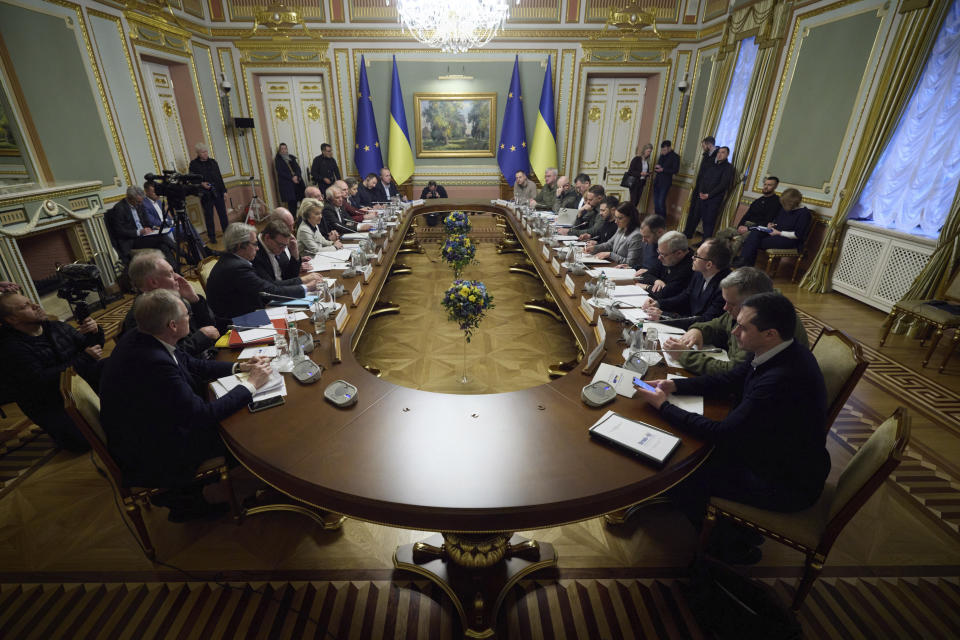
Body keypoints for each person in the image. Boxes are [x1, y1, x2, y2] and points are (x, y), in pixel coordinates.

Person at [634, 292, 829, 564]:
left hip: (784, 483)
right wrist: (675, 386)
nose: (735, 332)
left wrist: (664, 407)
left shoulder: (779, 380)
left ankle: (728, 548)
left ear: (770, 333)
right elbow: (731, 380)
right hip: (775, 454)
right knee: (685, 457)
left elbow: (723, 434)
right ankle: (734, 530)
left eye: (743, 327)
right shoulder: (776, 350)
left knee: (679, 474)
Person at [100, 288, 274, 521]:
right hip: (154, 451)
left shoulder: (142, 335)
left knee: (242, 415)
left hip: (150, 425)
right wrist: (251, 385)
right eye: (186, 316)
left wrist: (240, 367)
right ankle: (193, 502)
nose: (190, 319)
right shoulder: (153, 363)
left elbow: (192, 364)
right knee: (246, 433)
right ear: (172, 325)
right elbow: (201, 416)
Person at [0, 292, 104, 452]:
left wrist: (94, 332)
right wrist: (84, 359)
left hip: (81, 386)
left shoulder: (56, 327)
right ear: (12, 319)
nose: (35, 305)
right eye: (25, 306)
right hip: (51, 403)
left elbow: (90, 349)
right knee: (84, 441)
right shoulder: (10, 348)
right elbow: (40, 381)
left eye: (31, 301)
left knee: (112, 368)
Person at [663, 267, 809, 376]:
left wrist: (684, 355)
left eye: (731, 304)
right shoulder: (751, 307)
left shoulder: (765, 321)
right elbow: (717, 325)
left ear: (753, 300)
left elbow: (733, 371)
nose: (725, 308)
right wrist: (698, 330)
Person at [205, 223, 320, 318]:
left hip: (249, 314)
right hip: (239, 323)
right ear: (240, 246)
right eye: (254, 244)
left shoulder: (232, 261)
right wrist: (307, 287)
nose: (257, 247)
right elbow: (269, 290)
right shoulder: (237, 268)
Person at [120, 250, 220, 357]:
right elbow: (169, 356)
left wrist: (194, 300)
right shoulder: (141, 317)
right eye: (170, 274)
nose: (178, 277)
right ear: (153, 282)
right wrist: (201, 338)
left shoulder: (174, 298)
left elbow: (211, 325)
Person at [642, 239, 732, 329]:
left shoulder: (726, 287)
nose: (693, 257)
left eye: (697, 256)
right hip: (688, 323)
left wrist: (663, 316)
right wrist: (658, 304)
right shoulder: (700, 272)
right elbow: (686, 296)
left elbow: (706, 320)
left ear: (709, 265)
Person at [735, 188, 812, 268]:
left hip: (789, 240)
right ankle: (745, 262)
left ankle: (746, 264)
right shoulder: (785, 209)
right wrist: (771, 225)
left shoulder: (804, 214)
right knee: (755, 233)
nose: (783, 206)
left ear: (793, 203)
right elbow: (777, 222)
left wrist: (778, 233)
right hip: (775, 233)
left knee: (756, 241)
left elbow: (798, 235)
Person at [105, 186, 177, 266]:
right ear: (130, 198)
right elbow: (119, 231)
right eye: (138, 202)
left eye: (141, 201)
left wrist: (152, 228)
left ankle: (175, 270)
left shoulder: (139, 205)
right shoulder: (119, 209)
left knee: (163, 245)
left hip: (144, 236)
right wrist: (139, 232)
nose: (140, 204)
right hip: (132, 240)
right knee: (162, 237)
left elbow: (146, 222)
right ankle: (185, 255)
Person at [143, 181, 205, 265]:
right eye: (153, 192)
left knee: (188, 227)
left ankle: (199, 255)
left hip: (169, 226)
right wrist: (171, 222)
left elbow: (166, 215)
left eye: (157, 191)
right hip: (162, 230)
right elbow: (152, 221)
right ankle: (201, 251)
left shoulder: (159, 201)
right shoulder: (144, 204)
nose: (156, 193)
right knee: (187, 228)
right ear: (146, 192)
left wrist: (175, 221)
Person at [252, 219, 317, 284]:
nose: (283, 250)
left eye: (285, 246)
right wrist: (302, 280)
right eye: (281, 245)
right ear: (267, 238)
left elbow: (290, 276)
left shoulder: (279, 244)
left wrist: (295, 254)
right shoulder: (253, 253)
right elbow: (270, 286)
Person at [189, 143, 229, 243]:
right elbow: (192, 180)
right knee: (209, 216)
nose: (205, 153)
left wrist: (224, 191)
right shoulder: (194, 164)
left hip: (218, 191)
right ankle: (212, 237)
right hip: (206, 194)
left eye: (206, 151)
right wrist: (201, 184)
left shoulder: (213, 162)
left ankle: (227, 234)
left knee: (223, 214)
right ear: (198, 153)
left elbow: (219, 177)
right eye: (203, 152)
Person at [585, 202, 644, 269]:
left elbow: (630, 263)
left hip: (626, 272)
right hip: (615, 266)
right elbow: (609, 244)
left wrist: (610, 255)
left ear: (631, 218)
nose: (616, 221)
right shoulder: (621, 228)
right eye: (615, 217)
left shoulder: (636, 235)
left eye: (620, 218)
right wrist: (594, 248)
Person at [637, 230, 694, 297]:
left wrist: (646, 287)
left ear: (679, 253)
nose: (659, 257)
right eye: (658, 252)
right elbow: (645, 275)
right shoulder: (667, 255)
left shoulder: (689, 268)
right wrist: (656, 281)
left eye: (663, 254)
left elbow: (664, 294)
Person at [694, 146, 735, 239]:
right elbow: (703, 180)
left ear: (727, 154)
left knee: (709, 221)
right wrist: (701, 192)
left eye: (723, 152)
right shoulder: (712, 165)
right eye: (718, 152)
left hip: (714, 198)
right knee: (704, 220)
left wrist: (709, 195)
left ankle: (706, 242)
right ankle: (703, 241)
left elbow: (723, 184)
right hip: (703, 196)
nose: (719, 154)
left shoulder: (729, 167)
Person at [683, 136, 718, 238]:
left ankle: (691, 233)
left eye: (703, 145)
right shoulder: (706, 155)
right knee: (692, 210)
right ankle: (687, 232)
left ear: (709, 144)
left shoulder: (716, 156)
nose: (703, 148)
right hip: (699, 186)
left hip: (706, 190)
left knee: (698, 213)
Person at [274, 143, 306, 213]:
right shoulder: (277, 160)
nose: (284, 150)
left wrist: (297, 176)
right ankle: (293, 220)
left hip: (297, 183)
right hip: (288, 185)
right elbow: (281, 172)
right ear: (279, 150)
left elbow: (298, 169)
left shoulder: (291, 157)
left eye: (285, 148)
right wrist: (292, 178)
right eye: (282, 149)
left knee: (303, 201)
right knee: (292, 204)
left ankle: (303, 217)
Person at [635, 214, 667, 280]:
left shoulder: (670, 248)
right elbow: (644, 266)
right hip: (642, 278)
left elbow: (664, 275)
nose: (643, 240)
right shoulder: (649, 243)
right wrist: (630, 267)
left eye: (647, 237)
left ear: (660, 232)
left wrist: (648, 272)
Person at [652, 140, 680, 218]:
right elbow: (658, 167)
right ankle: (656, 219)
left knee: (661, 202)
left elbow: (675, 170)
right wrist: (656, 168)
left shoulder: (675, 157)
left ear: (669, 148)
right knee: (656, 201)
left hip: (665, 183)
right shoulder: (662, 156)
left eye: (664, 150)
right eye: (662, 150)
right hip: (657, 181)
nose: (662, 151)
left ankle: (662, 220)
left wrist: (663, 169)